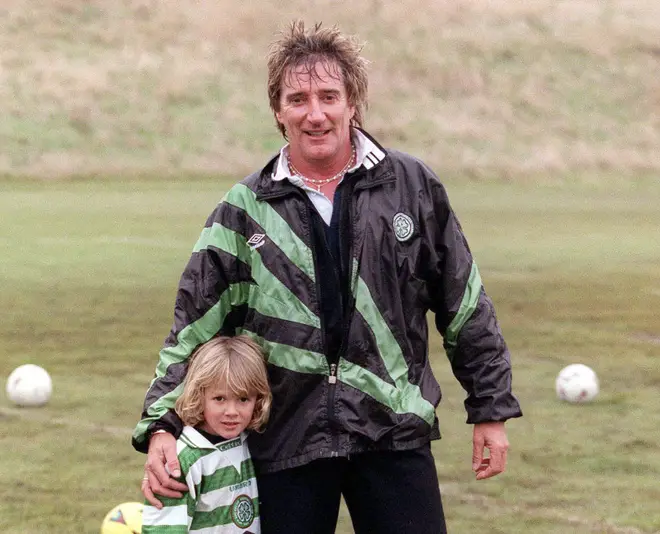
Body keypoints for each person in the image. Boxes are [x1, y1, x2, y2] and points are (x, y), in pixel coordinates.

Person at [133, 20, 522, 534]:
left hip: (392, 430)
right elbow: (193, 323)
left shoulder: (411, 187)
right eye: (297, 99)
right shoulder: (244, 209)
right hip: (287, 435)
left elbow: (464, 304)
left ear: (352, 103)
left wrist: (489, 409)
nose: (314, 113)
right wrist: (165, 424)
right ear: (278, 111)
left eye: (328, 96)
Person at [141, 335, 272, 534]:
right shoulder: (183, 458)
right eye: (220, 398)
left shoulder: (249, 441)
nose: (232, 411)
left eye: (243, 399)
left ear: (258, 399)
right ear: (199, 394)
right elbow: (162, 528)